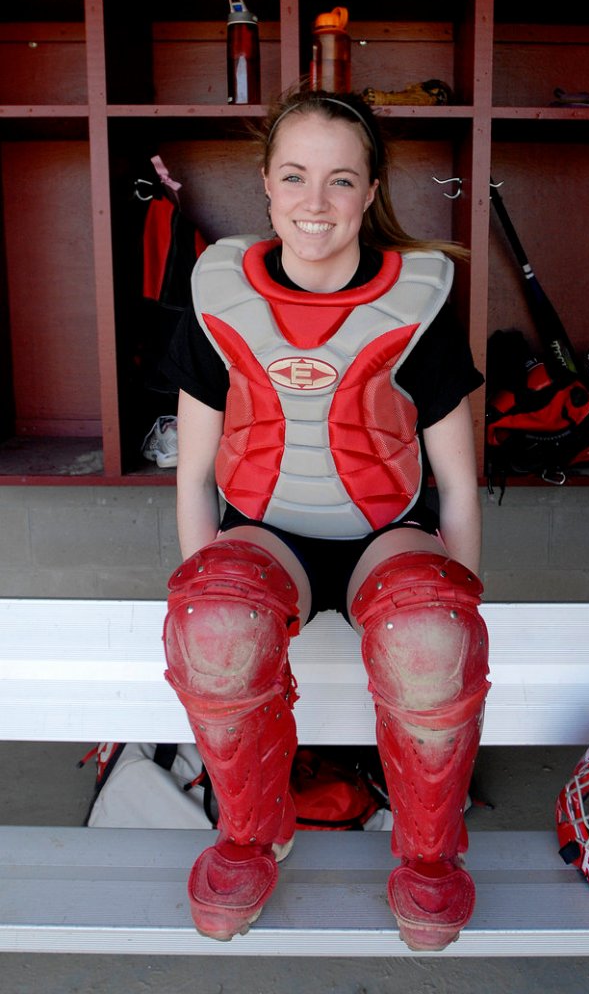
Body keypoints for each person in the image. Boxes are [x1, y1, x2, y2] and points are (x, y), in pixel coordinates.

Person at [161, 87, 490, 952]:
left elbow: (457, 487)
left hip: (391, 534)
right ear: (265, 185)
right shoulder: (219, 292)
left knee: (430, 634)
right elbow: (195, 475)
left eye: (341, 181)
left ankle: (427, 858)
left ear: (372, 190)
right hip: (271, 532)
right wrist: (207, 613)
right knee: (217, 620)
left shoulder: (420, 299)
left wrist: (456, 620)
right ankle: (250, 835)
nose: (317, 203)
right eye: (296, 176)